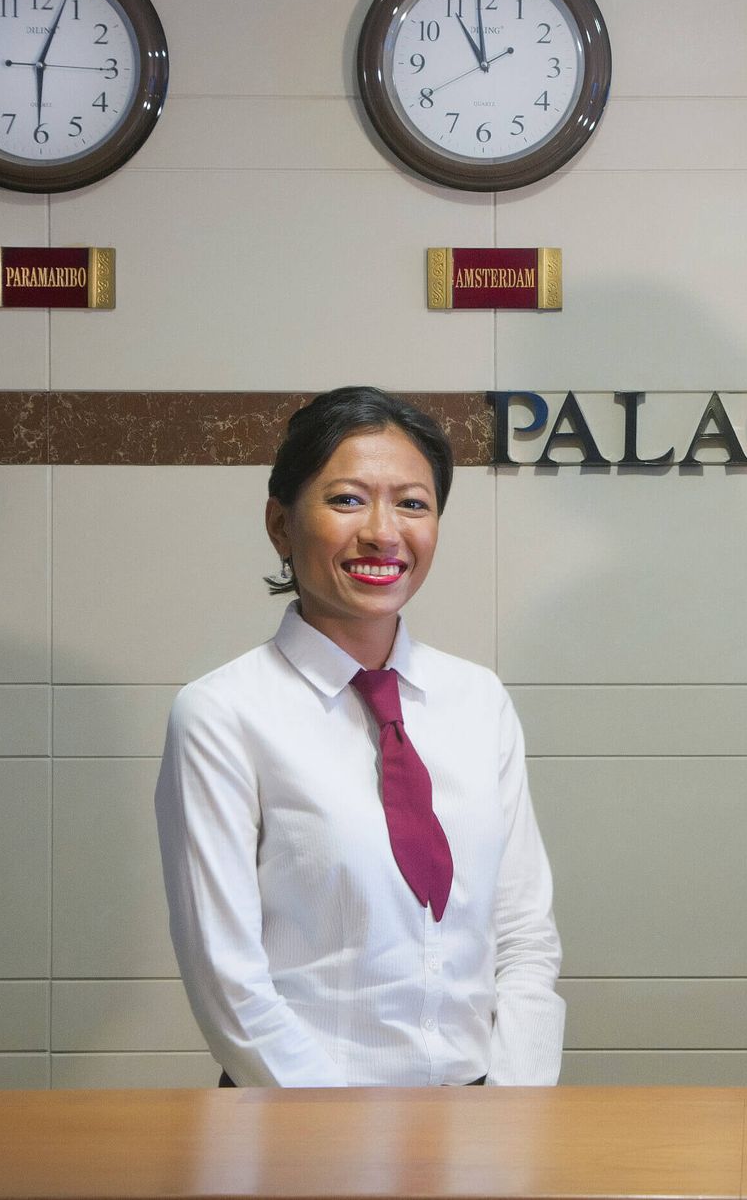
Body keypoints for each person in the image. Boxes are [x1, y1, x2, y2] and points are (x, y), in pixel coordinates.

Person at [155, 386, 563, 1087]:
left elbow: (523, 934)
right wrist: (342, 1135)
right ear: (281, 525)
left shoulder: (479, 700)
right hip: (300, 1117)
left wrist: (511, 1109)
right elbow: (228, 979)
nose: (383, 532)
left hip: (481, 1117)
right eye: (347, 500)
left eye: (413, 504)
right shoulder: (222, 714)